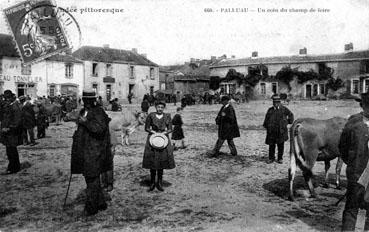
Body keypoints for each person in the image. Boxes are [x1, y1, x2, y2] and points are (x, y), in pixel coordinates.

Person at [70, 90, 112, 216]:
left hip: (95, 150)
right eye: (84, 99)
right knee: (90, 177)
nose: (86, 102)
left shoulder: (98, 111)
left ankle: (91, 208)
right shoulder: (84, 111)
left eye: (88, 100)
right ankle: (100, 202)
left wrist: (85, 122)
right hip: (85, 149)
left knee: (92, 176)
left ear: (93, 100)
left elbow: (99, 129)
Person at [339, 92, 369, 231]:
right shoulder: (353, 124)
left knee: (354, 210)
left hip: (360, 176)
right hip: (356, 176)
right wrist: (354, 165)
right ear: (363, 106)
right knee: (351, 209)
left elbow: (343, 150)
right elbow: (343, 148)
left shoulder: (353, 123)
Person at [143, 101, 175, 192]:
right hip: (152, 139)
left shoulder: (167, 116)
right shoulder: (151, 116)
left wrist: (163, 133)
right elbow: (147, 128)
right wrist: (154, 133)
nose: (160, 109)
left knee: (162, 160)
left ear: (164, 108)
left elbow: (170, 129)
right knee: (152, 161)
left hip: (163, 139)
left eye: (161, 107)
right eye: (158, 107)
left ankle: (159, 182)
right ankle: (152, 182)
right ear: (155, 107)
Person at [263, 94, 294, 164]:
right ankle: (271, 158)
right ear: (273, 102)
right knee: (271, 145)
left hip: (281, 131)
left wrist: (288, 122)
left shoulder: (284, 109)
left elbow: (291, 115)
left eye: (277, 102)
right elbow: (266, 119)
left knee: (281, 145)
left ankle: (280, 158)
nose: (275, 104)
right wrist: (267, 126)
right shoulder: (270, 110)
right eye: (274, 102)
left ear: (279, 102)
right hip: (272, 131)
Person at [1, 90, 23, 174]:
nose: (6, 99)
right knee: (9, 150)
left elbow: (17, 121)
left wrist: (9, 128)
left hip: (12, 133)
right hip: (8, 133)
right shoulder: (9, 106)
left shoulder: (15, 106)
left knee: (12, 151)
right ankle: (12, 166)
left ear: (11, 97)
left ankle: (14, 168)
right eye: (5, 98)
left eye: (8, 98)